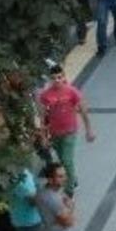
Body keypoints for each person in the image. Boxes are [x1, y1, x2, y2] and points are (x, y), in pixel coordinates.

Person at [38, 63, 95, 196]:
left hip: (70, 131)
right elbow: (42, 117)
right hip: (55, 133)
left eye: (59, 77)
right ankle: (73, 178)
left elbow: (83, 111)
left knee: (67, 159)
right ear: (50, 79)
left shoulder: (72, 91)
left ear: (63, 77)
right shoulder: (45, 95)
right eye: (54, 78)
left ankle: (69, 190)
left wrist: (89, 130)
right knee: (63, 160)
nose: (57, 80)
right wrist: (43, 136)